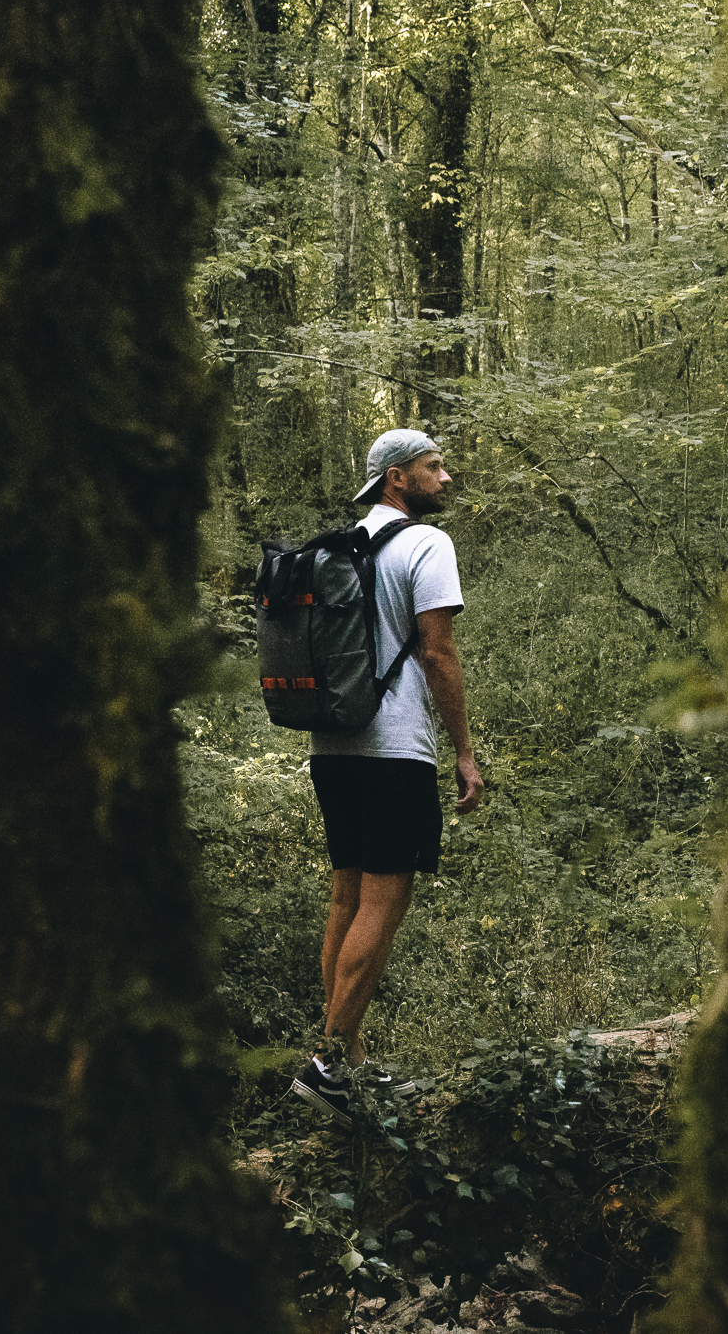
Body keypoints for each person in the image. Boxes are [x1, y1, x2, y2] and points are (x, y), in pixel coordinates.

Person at [290, 429, 484, 1120]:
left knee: (347, 899)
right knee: (382, 904)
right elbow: (438, 654)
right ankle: (328, 1064)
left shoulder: (334, 549)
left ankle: (351, 1064)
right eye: (435, 467)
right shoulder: (426, 546)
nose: (447, 477)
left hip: (330, 749)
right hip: (394, 750)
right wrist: (463, 750)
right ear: (397, 478)